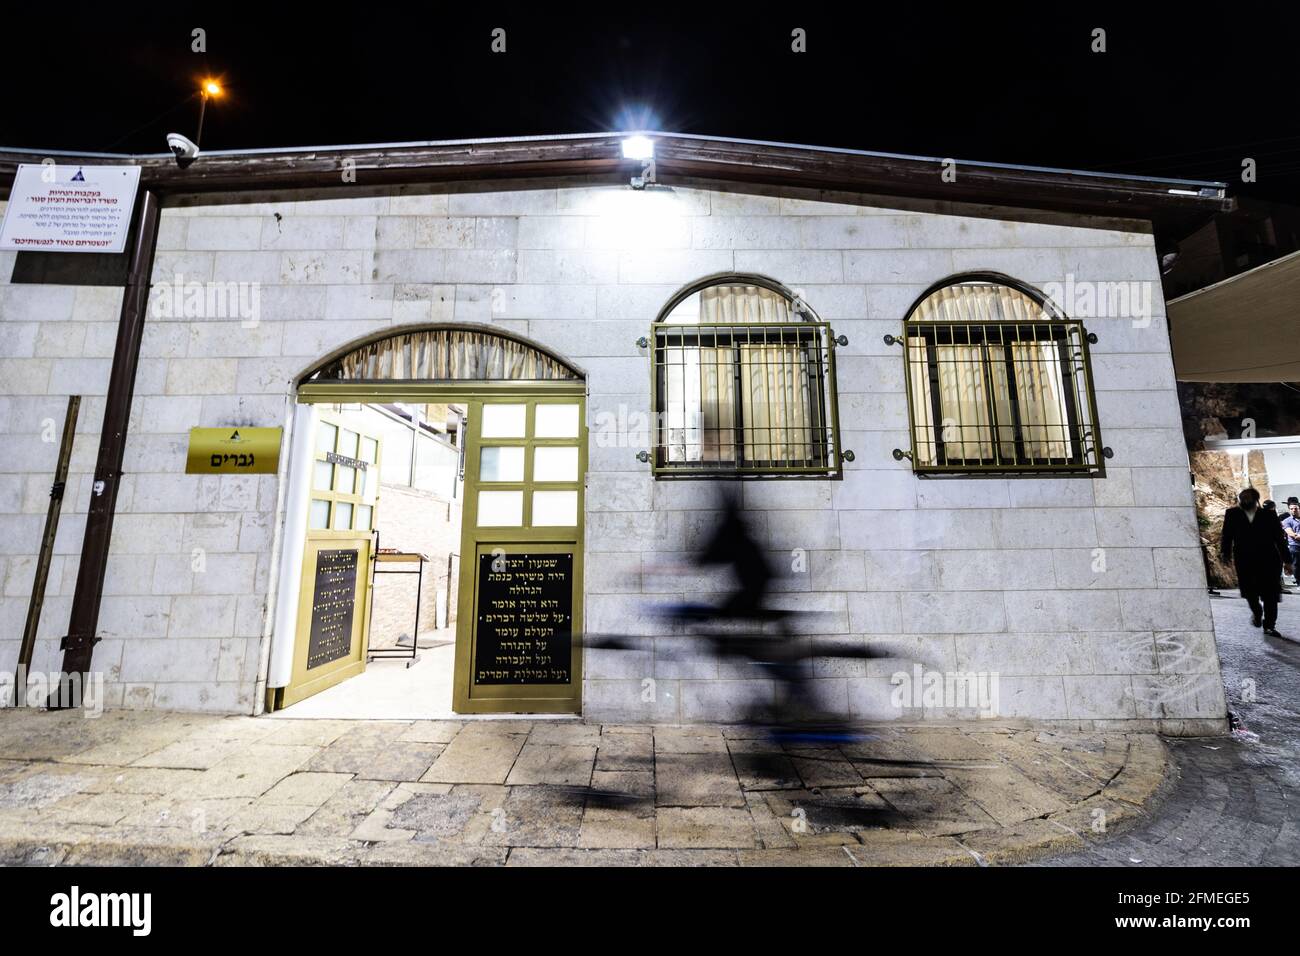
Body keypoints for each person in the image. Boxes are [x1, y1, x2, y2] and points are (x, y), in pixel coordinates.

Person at [1221, 487, 1293, 636]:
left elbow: (1279, 539)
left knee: (1270, 594)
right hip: (1244, 561)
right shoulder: (1232, 514)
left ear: (1255, 500)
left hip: (1269, 560)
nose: (1244, 501)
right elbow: (1226, 536)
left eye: (1247, 498)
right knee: (1249, 592)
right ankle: (1257, 611)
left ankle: (1269, 626)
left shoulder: (1269, 515)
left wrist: (1287, 561)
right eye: (1242, 498)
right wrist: (1225, 555)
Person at [1283, 497, 1300, 586]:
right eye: (1291, 509)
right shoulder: (1287, 521)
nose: (1293, 510)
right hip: (1295, 546)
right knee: (1296, 566)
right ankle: (1299, 583)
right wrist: (1297, 536)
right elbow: (1292, 534)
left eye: (1295, 508)